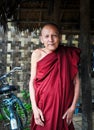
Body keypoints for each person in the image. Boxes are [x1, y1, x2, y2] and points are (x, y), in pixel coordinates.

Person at [29, 23, 80, 130]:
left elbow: (76, 82)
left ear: (60, 37)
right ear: (41, 39)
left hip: (63, 108)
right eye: (47, 36)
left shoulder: (68, 54)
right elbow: (32, 81)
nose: (50, 39)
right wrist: (34, 108)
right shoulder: (37, 54)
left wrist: (72, 107)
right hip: (43, 107)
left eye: (54, 36)